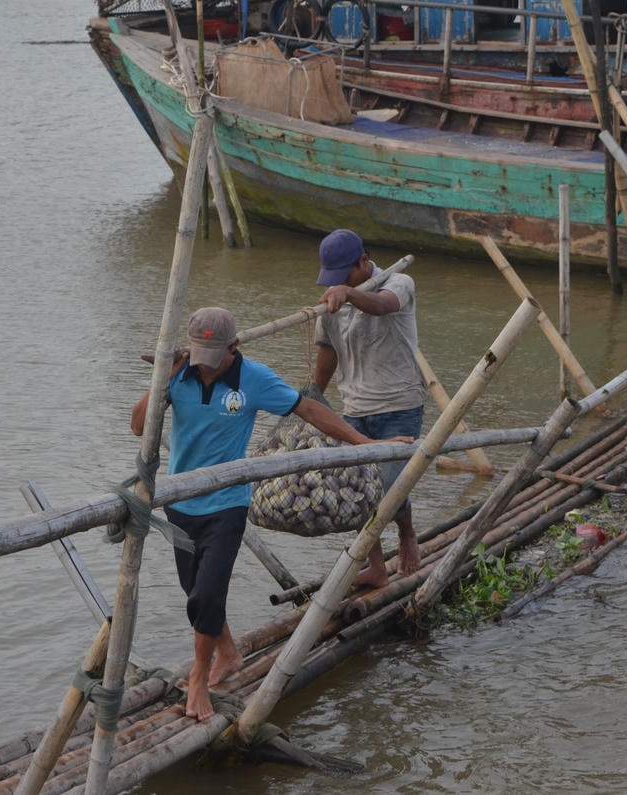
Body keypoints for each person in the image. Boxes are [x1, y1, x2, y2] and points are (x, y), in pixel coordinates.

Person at [131, 306, 409, 721]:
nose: (205, 366)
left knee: (209, 594)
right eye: (198, 354)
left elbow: (308, 409)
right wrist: (164, 379)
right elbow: (138, 427)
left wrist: (360, 441)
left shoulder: (254, 378)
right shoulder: (179, 374)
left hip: (227, 504)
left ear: (234, 347)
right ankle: (228, 652)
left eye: (214, 356)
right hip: (180, 503)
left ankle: (198, 679)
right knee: (195, 597)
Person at [313, 228, 429, 589]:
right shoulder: (331, 303)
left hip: (400, 403)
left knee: (390, 489)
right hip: (354, 407)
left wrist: (348, 294)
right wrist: (312, 395)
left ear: (364, 262)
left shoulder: (399, 282)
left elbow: (382, 306)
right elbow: (328, 354)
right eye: (335, 280)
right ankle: (377, 566)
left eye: (345, 276)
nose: (339, 284)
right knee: (360, 493)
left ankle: (408, 535)